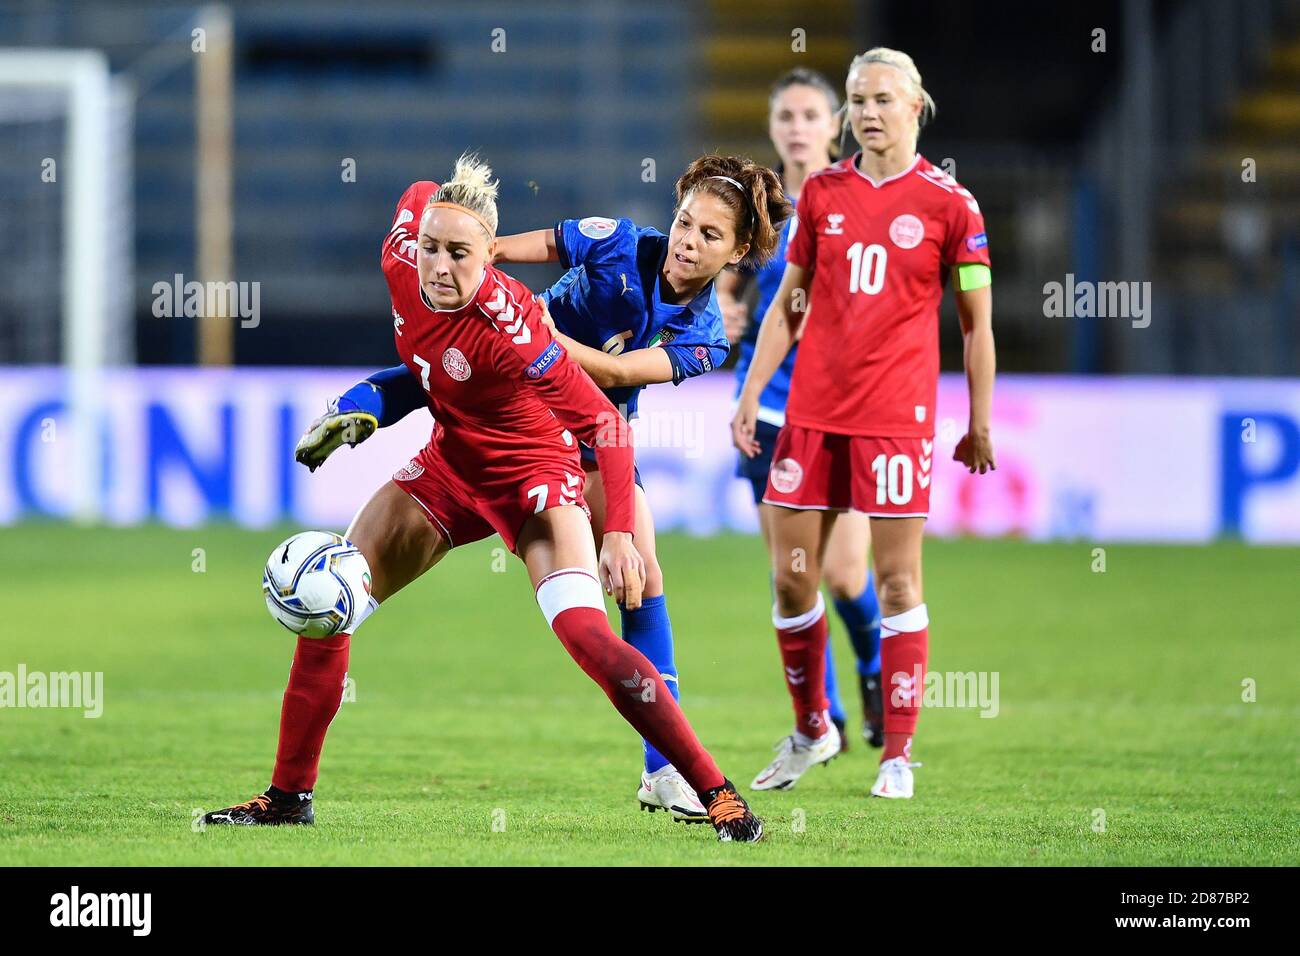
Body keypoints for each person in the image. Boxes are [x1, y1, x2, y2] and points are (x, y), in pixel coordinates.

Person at [205, 154, 764, 842]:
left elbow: (608, 420)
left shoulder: (521, 330)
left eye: (459, 254)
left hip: (538, 475)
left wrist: (616, 530)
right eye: (431, 249)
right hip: (450, 464)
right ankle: (288, 797)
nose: (439, 267)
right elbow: (424, 358)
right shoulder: (405, 262)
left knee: (592, 630)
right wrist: (361, 404)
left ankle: (711, 789)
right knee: (331, 602)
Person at [732, 49, 997, 799]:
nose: (869, 112)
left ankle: (898, 754)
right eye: (858, 100)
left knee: (893, 578)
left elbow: (977, 326)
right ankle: (814, 727)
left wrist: (978, 420)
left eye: (883, 98)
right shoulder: (821, 194)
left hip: (895, 421)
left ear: (917, 105)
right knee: (791, 581)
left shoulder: (954, 207)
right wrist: (752, 392)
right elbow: (790, 300)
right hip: (810, 415)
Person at [717, 68, 886, 771]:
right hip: (772, 412)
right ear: (772, 125)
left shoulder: (853, 201)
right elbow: (721, 289)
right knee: (794, 574)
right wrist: (721, 314)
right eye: (785, 115)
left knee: (846, 574)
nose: (796, 126)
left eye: (810, 114)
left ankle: (873, 666)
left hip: (843, 410)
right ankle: (830, 718)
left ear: (833, 124)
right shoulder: (756, 211)